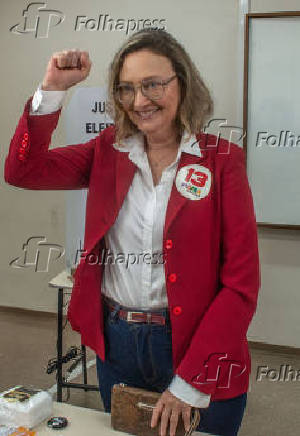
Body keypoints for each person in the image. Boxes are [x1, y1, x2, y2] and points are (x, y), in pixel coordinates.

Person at [4, 29, 260, 436]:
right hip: (119, 343)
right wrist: (51, 89)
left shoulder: (222, 161)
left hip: (197, 343)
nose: (140, 101)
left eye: (153, 84)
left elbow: (240, 286)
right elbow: (23, 171)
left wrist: (190, 381)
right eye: (127, 88)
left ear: (183, 82)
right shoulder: (108, 150)